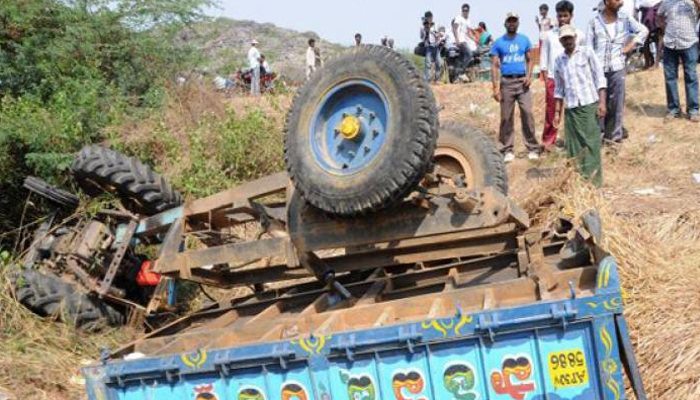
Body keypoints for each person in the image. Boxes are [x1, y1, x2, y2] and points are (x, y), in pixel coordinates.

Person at [586, 0, 648, 144]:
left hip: (617, 67)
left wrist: (630, 46)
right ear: (607, 2)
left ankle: (613, 138)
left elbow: (643, 30)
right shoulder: (594, 22)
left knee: (616, 104)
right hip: (599, 70)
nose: (621, 1)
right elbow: (589, 48)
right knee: (599, 103)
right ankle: (599, 135)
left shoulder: (625, 18)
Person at [554, 25, 607, 187]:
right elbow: (559, 89)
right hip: (571, 109)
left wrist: (602, 102)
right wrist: (557, 113)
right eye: (564, 39)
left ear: (575, 38)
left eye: (570, 37)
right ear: (560, 41)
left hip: (589, 104)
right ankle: (578, 183)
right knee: (574, 147)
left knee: (591, 144)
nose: (567, 41)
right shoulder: (559, 60)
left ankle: (594, 183)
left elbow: (600, 78)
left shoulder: (587, 53)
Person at [490, 12, 541, 163]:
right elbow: (493, 66)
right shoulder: (498, 42)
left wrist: (529, 76)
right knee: (506, 117)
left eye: (514, 21)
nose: (512, 24)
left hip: (522, 82)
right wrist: (495, 88)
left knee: (528, 113)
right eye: (509, 21)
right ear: (505, 23)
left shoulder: (524, 40)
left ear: (518, 23)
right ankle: (507, 149)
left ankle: (532, 147)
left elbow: (530, 59)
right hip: (506, 82)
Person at [540, 0, 586, 150]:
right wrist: (547, 79)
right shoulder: (549, 36)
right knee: (552, 111)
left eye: (565, 16)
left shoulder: (579, 35)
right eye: (560, 16)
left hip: (574, 78)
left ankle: (575, 142)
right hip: (554, 78)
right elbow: (543, 59)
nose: (562, 19)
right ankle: (548, 142)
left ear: (571, 16)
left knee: (575, 110)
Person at [658, 0, 700, 122]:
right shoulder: (667, 2)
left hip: (689, 43)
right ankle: (673, 109)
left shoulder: (692, 2)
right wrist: (663, 27)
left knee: (691, 77)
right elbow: (659, 15)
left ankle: (693, 110)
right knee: (670, 77)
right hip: (670, 43)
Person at [635, 0, 664, 68]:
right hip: (645, 12)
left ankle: (656, 62)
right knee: (645, 38)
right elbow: (636, 8)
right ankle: (648, 62)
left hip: (657, 9)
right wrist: (635, 21)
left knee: (659, 36)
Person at [453, 4, 479, 68]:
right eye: (463, 10)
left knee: (463, 57)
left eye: (466, 10)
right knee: (469, 54)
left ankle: (457, 72)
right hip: (461, 41)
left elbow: (468, 33)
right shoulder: (458, 18)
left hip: (466, 41)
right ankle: (461, 71)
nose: (465, 11)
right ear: (461, 10)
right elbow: (454, 28)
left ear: (468, 11)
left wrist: (474, 39)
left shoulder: (468, 20)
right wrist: (457, 40)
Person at [421, 11, 443, 82]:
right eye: (427, 18)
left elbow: (442, 33)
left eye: (430, 17)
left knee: (439, 63)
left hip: (436, 46)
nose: (429, 19)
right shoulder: (423, 26)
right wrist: (425, 31)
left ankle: (438, 79)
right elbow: (422, 37)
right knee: (428, 63)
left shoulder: (437, 25)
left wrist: (437, 35)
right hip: (428, 46)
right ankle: (428, 80)